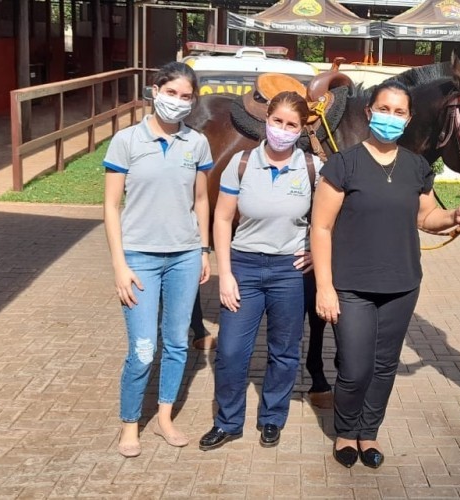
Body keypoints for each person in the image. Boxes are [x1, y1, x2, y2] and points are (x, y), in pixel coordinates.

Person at [310, 80, 460, 469]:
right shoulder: (343, 164)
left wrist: (455, 216)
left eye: (399, 112)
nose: (390, 117)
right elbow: (320, 228)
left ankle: (368, 433)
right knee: (355, 368)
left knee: (384, 366)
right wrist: (324, 287)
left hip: (402, 285)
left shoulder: (416, 166)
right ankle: (344, 431)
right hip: (351, 285)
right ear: (370, 112)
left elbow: (427, 216)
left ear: (408, 119)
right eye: (384, 109)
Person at [199, 91, 321, 450]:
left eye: (291, 125)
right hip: (245, 266)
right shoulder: (242, 162)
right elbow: (221, 219)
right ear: (266, 119)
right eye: (277, 121)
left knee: (284, 352)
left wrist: (317, 249)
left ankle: (272, 417)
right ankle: (228, 421)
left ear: (301, 129)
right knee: (232, 351)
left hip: (290, 271)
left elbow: (330, 219)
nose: (282, 130)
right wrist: (227, 273)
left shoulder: (314, 167)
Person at [103, 61, 212, 458]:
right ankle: (130, 424)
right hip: (139, 257)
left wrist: (202, 249)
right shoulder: (127, 141)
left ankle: (165, 417)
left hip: (184, 255)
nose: (178, 102)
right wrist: (119, 264)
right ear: (155, 90)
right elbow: (112, 206)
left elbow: (201, 200)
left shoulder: (196, 144)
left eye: (186, 97)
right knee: (143, 348)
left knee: (177, 342)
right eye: (172, 93)